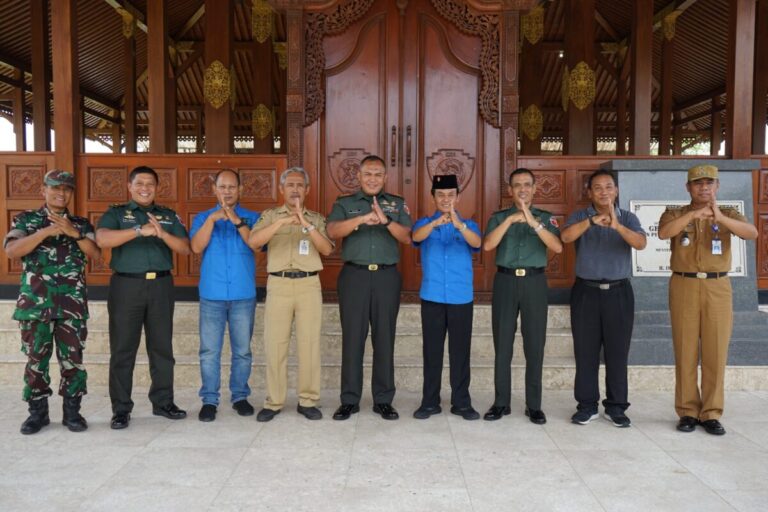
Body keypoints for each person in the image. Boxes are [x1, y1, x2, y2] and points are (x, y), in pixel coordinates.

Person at [658, 164, 757, 436]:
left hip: (718, 286)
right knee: (685, 349)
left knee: (715, 350)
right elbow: (665, 233)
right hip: (684, 284)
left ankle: (711, 412)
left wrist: (719, 218)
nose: (704, 187)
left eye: (709, 183)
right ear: (688, 187)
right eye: (698, 183)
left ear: (717, 186)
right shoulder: (675, 212)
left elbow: (751, 233)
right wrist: (694, 214)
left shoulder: (729, 213)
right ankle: (688, 411)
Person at [3, 170, 101, 435]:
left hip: (72, 305)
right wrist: (46, 231)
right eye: (55, 188)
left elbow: (95, 254)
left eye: (67, 189)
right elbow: (12, 251)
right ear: (43, 191)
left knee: (73, 361)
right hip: (35, 306)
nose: (61, 193)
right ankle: (37, 414)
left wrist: (73, 233)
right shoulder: (26, 220)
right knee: (36, 361)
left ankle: (72, 413)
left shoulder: (82, 224)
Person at [96, 166, 191, 430]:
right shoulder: (116, 213)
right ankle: (121, 409)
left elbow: (185, 248)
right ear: (130, 186)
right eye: (140, 183)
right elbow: (102, 239)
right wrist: (139, 231)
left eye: (150, 183)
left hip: (161, 286)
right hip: (127, 286)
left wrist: (162, 233)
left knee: (162, 348)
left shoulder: (168, 216)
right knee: (123, 349)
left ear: (157, 187)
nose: (145, 187)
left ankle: (163, 403)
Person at [326, 155, 412, 421]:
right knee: (353, 339)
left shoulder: (396, 204)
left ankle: (383, 400)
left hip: (386, 277)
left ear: (385, 177)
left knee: (384, 338)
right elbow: (332, 231)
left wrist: (385, 220)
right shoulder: (345, 203)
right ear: (359, 177)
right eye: (368, 174)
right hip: (355, 277)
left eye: (378, 174)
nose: (373, 179)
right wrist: (361, 220)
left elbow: (407, 237)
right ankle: (349, 399)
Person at [560, 170, 647, 428]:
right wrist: (591, 222)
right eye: (597, 188)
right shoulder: (580, 216)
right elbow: (565, 237)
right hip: (586, 292)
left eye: (608, 187)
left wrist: (616, 225)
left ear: (616, 191)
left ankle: (617, 407)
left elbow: (641, 243)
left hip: (619, 292)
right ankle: (587, 406)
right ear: (589, 192)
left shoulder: (628, 217)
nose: (603, 192)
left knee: (617, 352)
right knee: (585, 351)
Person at [248, 167, 334, 422]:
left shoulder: (316, 218)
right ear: (282, 189)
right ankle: (274, 401)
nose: (295, 189)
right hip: (279, 284)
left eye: (300, 185)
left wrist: (306, 225)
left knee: (309, 345)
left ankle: (308, 400)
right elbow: (254, 242)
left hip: (308, 285)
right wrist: (282, 222)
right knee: (275, 345)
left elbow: (326, 249)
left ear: (307, 190)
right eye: (290, 185)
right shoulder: (270, 215)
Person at [482, 168, 562, 424]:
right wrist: (509, 221)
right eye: (517, 185)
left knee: (535, 345)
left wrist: (533, 221)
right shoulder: (498, 218)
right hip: (505, 281)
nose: (522, 189)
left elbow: (557, 247)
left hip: (534, 283)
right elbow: (487, 245)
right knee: (502, 344)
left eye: (527, 185)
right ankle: (501, 402)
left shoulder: (546, 218)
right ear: (510, 190)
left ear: (535, 188)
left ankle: (534, 405)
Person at [190, 169, 260, 422]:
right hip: (212, 294)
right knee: (209, 351)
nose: (227, 191)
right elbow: (196, 247)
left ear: (240, 190)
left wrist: (236, 220)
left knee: (242, 351)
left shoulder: (252, 217)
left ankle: (240, 396)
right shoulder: (202, 218)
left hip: (243, 295)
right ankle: (209, 400)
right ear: (215, 190)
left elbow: (257, 244)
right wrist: (213, 220)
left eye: (232, 187)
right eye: (222, 187)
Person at [411, 174, 482, 421]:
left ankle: (461, 402)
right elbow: (416, 237)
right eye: (440, 195)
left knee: (460, 351)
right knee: (432, 351)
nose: (446, 199)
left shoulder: (469, 225)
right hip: (432, 296)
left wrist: (457, 223)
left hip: (460, 297)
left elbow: (477, 242)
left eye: (451, 195)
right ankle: (430, 401)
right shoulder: (424, 223)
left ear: (458, 197)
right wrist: (437, 222)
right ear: (433, 197)